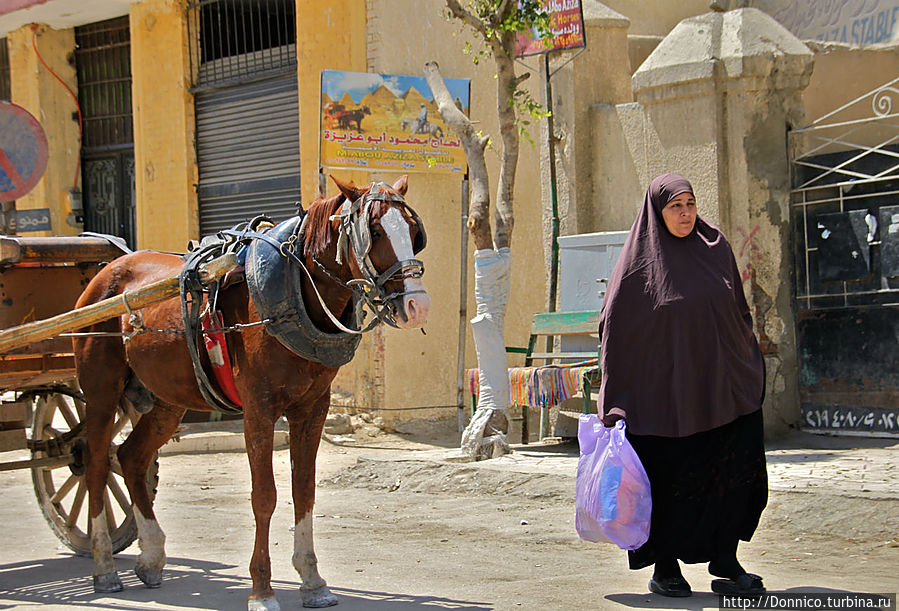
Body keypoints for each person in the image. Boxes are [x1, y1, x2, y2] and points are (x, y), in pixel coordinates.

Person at [597, 173, 768, 598]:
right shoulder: (639, 264)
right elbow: (614, 328)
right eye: (675, 206)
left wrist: (746, 364)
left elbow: (738, 312)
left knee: (735, 473)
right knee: (670, 479)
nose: (685, 213)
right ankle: (666, 567)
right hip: (664, 401)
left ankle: (726, 562)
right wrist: (618, 397)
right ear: (657, 210)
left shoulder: (716, 247)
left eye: (690, 203)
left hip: (721, 389)